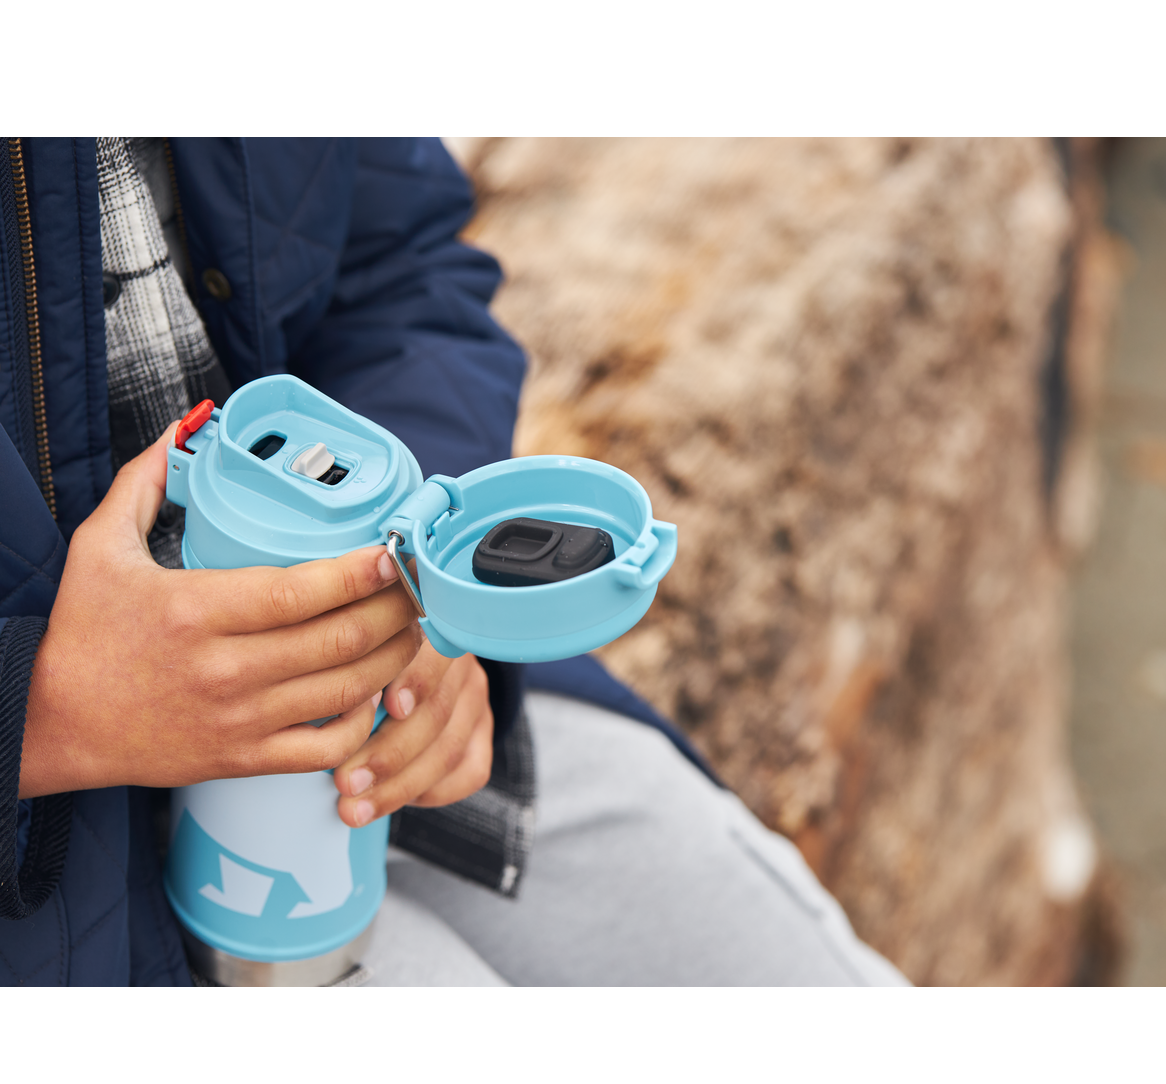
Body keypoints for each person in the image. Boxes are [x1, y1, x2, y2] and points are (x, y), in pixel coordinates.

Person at [0, 137, 905, 987]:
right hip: (52, 870)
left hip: (395, 710)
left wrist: (426, 575)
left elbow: (401, 269)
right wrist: (47, 710)